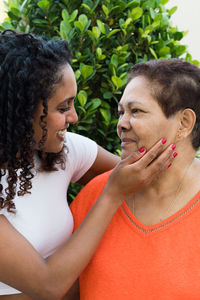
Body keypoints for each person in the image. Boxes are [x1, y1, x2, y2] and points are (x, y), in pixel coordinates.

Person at [0, 30, 175, 300]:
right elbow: (48, 285)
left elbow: (143, 177)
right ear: (21, 111)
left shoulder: (63, 149)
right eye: (63, 107)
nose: (75, 116)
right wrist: (113, 193)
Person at [70, 58, 200, 300]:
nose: (121, 124)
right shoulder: (97, 194)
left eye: (136, 111)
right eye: (121, 112)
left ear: (184, 123)